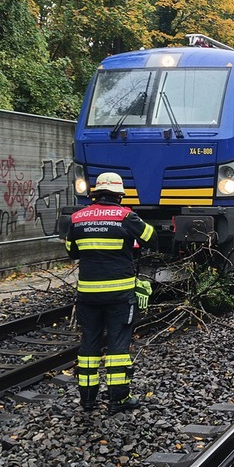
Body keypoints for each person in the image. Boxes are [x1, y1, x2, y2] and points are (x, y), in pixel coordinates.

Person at [64, 172, 156, 415]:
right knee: (117, 347)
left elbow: (72, 251)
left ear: (95, 193)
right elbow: (152, 238)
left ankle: (88, 400)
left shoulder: (77, 218)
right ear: (119, 194)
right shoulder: (126, 216)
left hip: (88, 296)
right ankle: (118, 399)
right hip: (119, 296)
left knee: (88, 347)